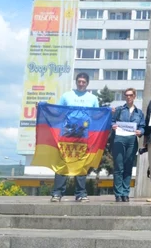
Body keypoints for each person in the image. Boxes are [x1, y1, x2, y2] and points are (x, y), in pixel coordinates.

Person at [50, 72, 99, 203]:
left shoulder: (93, 98)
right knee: (63, 162)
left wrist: (109, 112)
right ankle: (57, 193)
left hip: (84, 135)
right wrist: (43, 107)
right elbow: (58, 112)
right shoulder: (66, 96)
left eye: (83, 82)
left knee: (81, 163)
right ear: (76, 82)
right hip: (67, 133)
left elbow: (96, 116)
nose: (81, 84)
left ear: (87, 83)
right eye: (79, 81)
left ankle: (81, 194)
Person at [110, 88, 145, 202]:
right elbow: (111, 121)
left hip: (132, 141)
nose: (128, 97)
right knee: (119, 167)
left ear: (134, 96)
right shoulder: (119, 110)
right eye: (126, 95)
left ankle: (125, 193)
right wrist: (113, 125)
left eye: (130, 95)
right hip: (119, 139)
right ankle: (118, 194)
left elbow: (142, 126)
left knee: (128, 166)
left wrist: (141, 131)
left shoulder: (139, 112)